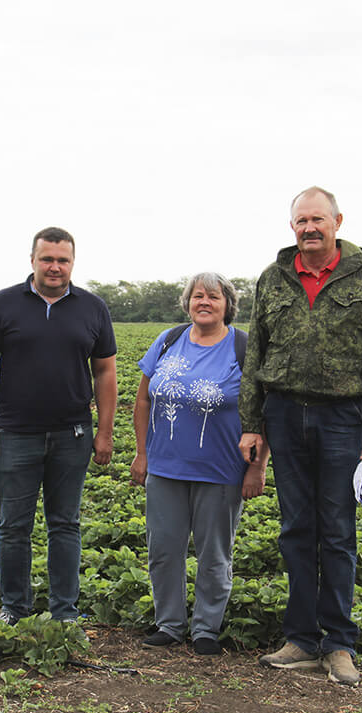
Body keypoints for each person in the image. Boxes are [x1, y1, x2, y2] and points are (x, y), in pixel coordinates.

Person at [238, 187, 362, 685]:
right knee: (295, 529)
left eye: (318, 219)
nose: (309, 228)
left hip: (341, 418)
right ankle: (301, 639)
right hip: (284, 413)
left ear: (337, 222)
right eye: (301, 220)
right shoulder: (273, 278)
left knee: (337, 530)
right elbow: (256, 356)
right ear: (292, 227)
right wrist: (252, 422)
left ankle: (340, 643)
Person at [0, 226, 118, 625]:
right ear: (32, 260)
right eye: (47, 259)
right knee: (13, 527)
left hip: (73, 434)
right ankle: (14, 610)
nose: (55, 267)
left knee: (65, 525)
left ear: (73, 263)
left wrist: (104, 432)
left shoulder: (93, 308)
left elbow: (104, 372)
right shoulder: (3, 303)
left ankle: (64, 613)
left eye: (63, 260)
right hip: (16, 433)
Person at [131, 272, 268, 656]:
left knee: (214, 555)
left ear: (228, 304)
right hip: (164, 468)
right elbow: (143, 401)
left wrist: (257, 468)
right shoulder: (168, 340)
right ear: (187, 302)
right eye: (197, 296)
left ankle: (206, 628)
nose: (203, 302)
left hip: (221, 471)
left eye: (213, 296)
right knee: (163, 550)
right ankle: (169, 624)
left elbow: (263, 414)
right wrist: (142, 453)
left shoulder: (243, 347)